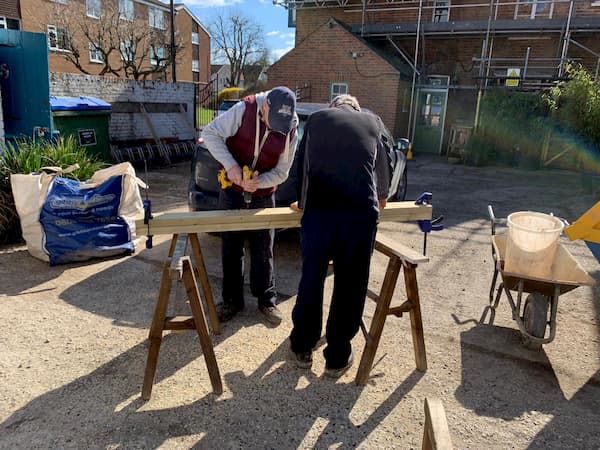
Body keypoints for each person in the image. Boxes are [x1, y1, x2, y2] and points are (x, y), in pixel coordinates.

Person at [288, 94, 393, 377]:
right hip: (359, 215)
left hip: (321, 212)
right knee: (351, 283)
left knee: (312, 278)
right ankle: (337, 356)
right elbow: (383, 173)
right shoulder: (374, 122)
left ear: (334, 107)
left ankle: (302, 346)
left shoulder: (318, 120)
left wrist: (302, 202)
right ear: (357, 108)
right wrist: (380, 198)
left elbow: (303, 167)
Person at [201, 87, 298, 325]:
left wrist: (258, 183)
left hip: (263, 194)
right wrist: (232, 168)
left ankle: (266, 300)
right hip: (231, 190)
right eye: (271, 121)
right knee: (231, 246)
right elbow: (210, 133)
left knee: (264, 247)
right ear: (265, 107)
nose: (274, 128)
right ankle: (232, 300)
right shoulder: (244, 109)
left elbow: (282, 171)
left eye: (280, 125)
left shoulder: (291, 127)